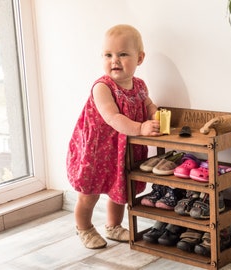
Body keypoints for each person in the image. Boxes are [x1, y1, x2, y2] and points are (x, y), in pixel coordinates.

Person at [66, 24, 161, 249]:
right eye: (108, 55)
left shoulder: (139, 85)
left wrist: (156, 114)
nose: (114, 60)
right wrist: (140, 129)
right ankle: (84, 227)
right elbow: (113, 118)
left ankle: (113, 225)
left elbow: (147, 104)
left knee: (119, 190)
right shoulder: (102, 87)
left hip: (120, 150)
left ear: (140, 58)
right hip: (96, 149)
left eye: (122, 54)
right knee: (89, 194)